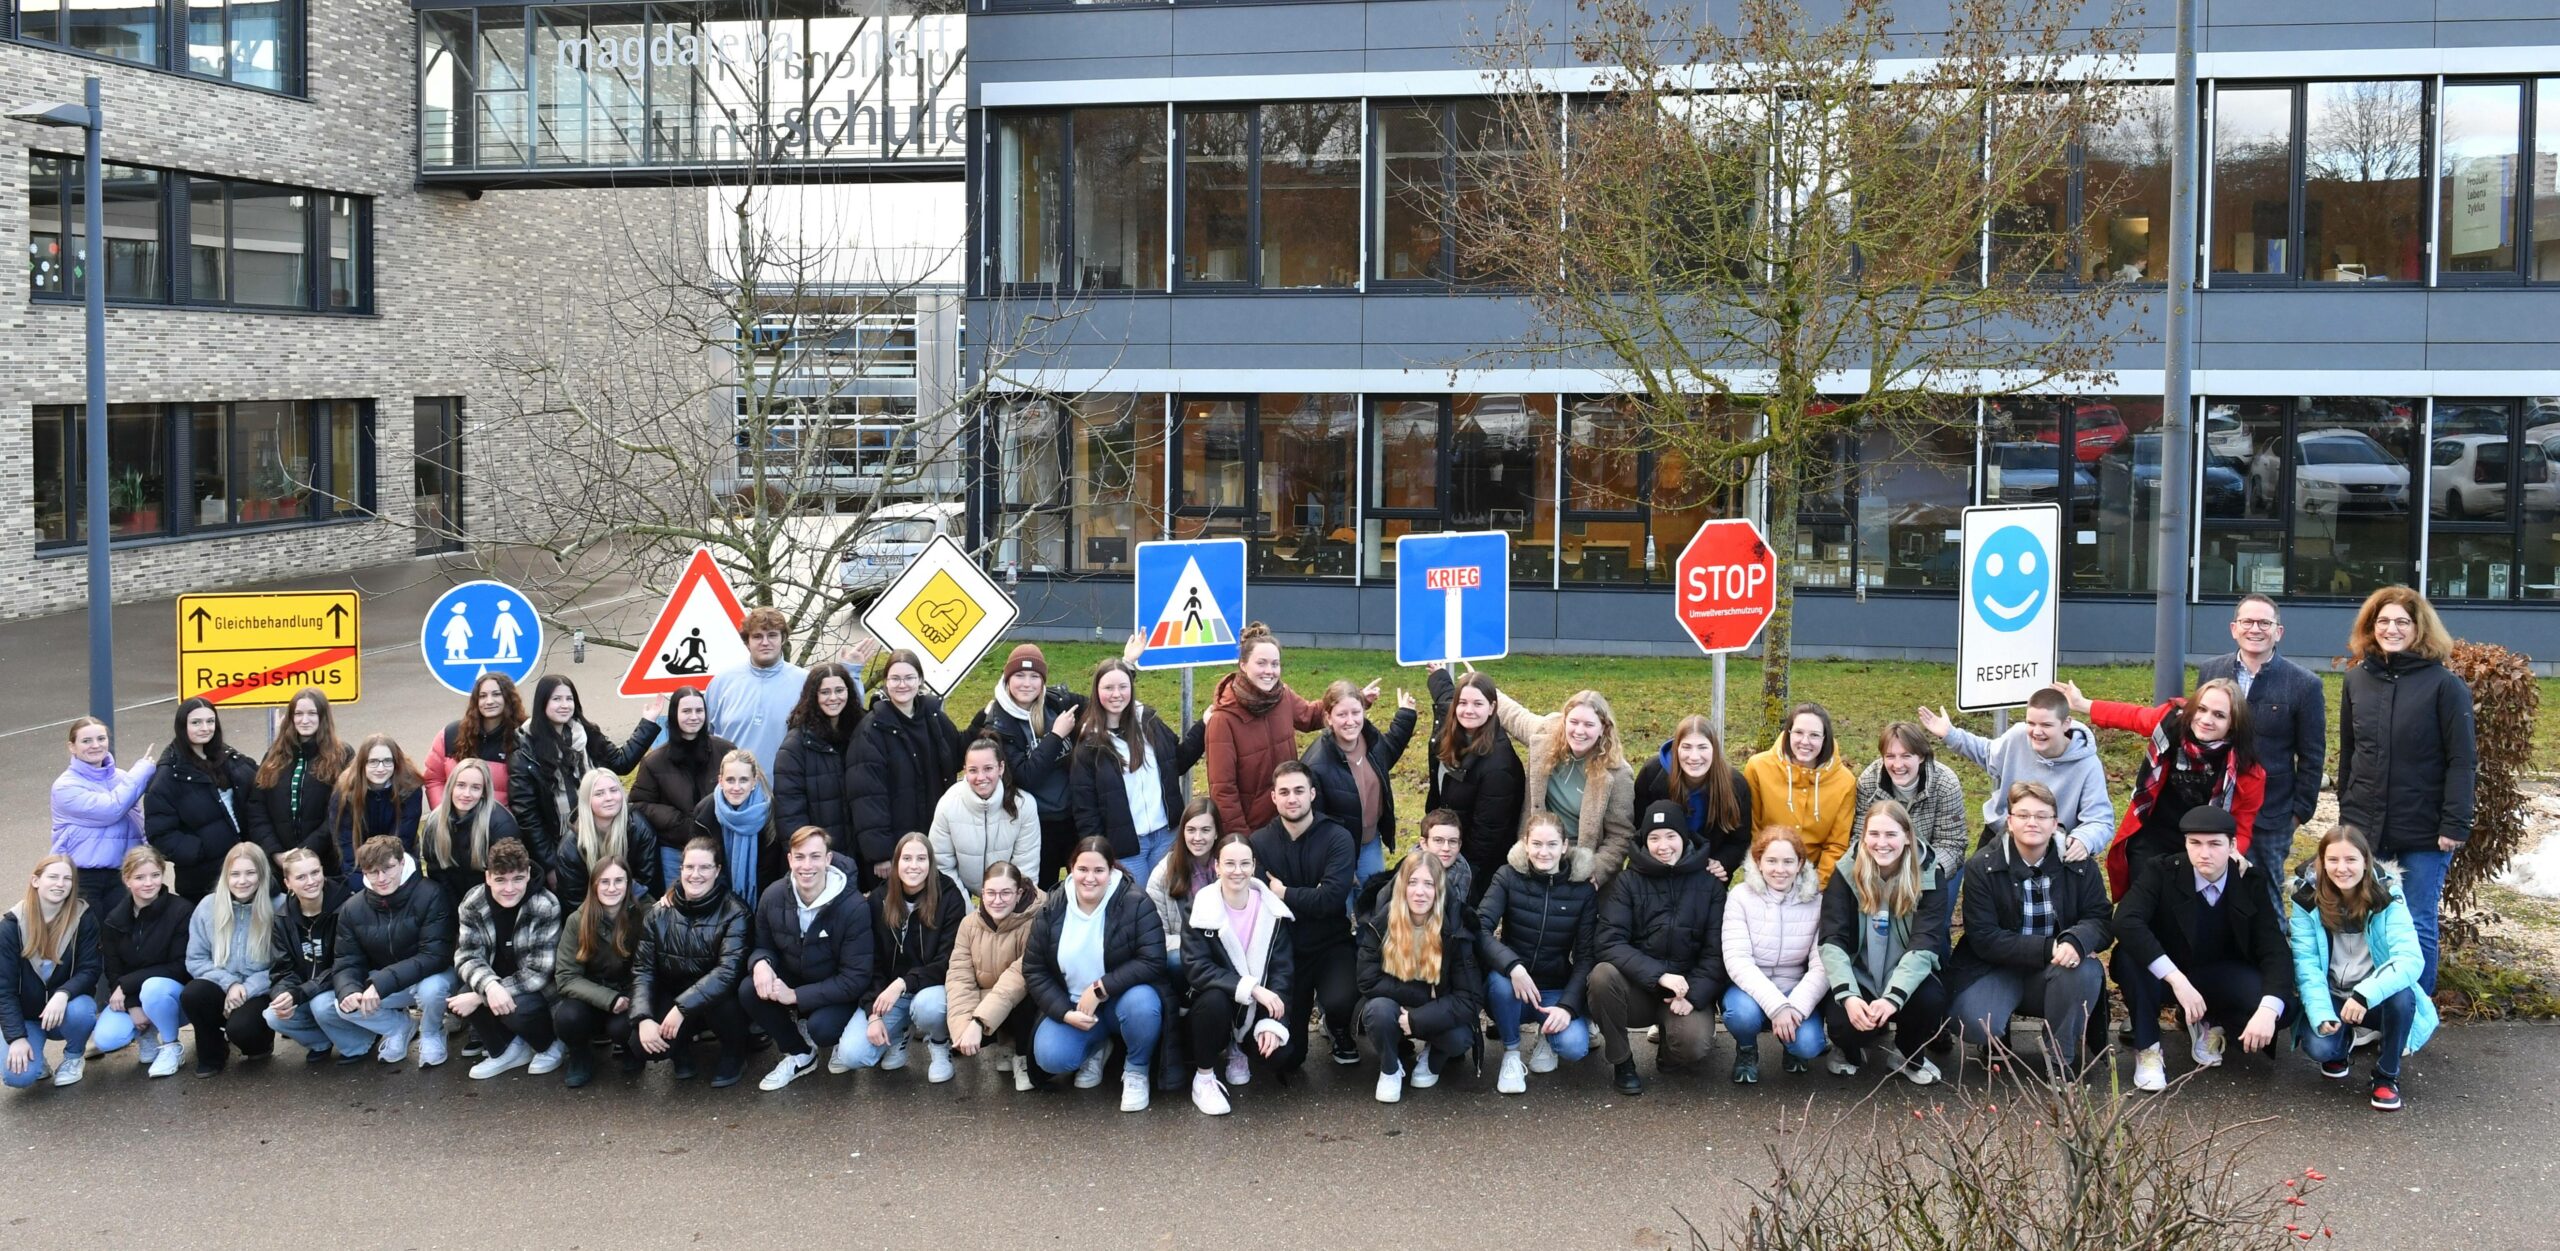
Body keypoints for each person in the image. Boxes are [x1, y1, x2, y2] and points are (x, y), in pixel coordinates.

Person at [2335, 585, 2476, 996]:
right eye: (2383, 621)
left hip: (2426, 829)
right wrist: (2347, 813)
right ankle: (2367, 1009)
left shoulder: (2445, 686)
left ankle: (2413, 1016)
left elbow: (2462, 761)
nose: (2391, 629)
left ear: (2419, 629)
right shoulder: (2356, 680)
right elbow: (2350, 752)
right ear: (2370, 627)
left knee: (2416, 922)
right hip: (2364, 825)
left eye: (2402, 621)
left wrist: (2455, 823)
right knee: (2364, 919)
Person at [2110, 808, 2294, 1093]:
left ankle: (2210, 1021)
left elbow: (2274, 949)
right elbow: (2126, 921)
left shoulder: (2248, 881)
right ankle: (2148, 1048)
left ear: (2233, 846)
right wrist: (2175, 978)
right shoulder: (2161, 871)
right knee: (2129, 957)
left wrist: (2268, 1011)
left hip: (2217, 975)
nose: (2204, 853)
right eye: (2195, 843)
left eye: (2215, 844)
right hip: (2164, 977)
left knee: (2283, 1008)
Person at [1947, 783, 2114, 1075]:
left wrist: (2076, 941)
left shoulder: (2079, 864)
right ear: (2009, 821)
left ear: (2055, 822)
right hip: (1996, 968)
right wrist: (2050, 947)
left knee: (2084, 971)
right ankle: (1998, 1037)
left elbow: (2101, 919)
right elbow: (1983, 937)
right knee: (1973, 1022)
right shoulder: (1982, 866)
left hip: (2058, 969)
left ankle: (2061, 1057)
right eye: (2022, 815)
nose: (2032, 822)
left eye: (2041, 815)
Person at [2058, 677, 2264, 900]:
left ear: (2233, 724)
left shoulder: (2248, 770)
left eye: (2219, 715)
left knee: (2184, 909)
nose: (2206, 720)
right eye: (2202, 709)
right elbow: (2132, 717)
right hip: (2152, 834)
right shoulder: (2171, 723)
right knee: (2144, 901)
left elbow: (2242, 825)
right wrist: (2082, 703)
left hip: (2201, 845)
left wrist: (2234, 851)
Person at [2289, 825, 2436, 1112]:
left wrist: (2363, 994)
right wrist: (2321, 1014)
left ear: (2366, 862)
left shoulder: (2388, 896)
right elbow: (2305, 965)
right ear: (2321, 862)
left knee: (2402, 997)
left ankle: (2386, 1075)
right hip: (2332, 992)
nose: (2341, 868)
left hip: (2372, 995)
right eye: (2332, 860)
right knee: (2321, 1050)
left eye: (2351, 860)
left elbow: (2410, 959)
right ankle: (2341, 1043)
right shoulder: (2305, 900)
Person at [1589, 802, 1727, 1095]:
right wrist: (1659, 975)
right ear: (1644, 841)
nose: (1662, 846)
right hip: (1637, 988)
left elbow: (1717, 952)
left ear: (1684, 838)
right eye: (1654, 838)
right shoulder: (1628, 882)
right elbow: (1608, 941)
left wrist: (1696, 995)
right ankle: (1622, 1061)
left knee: (1692, 1046)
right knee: (1601, 976)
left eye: (1670, 836)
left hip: (1684, 990)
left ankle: (1670, 1047)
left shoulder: (1711, 885)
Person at [1021, 838, 1168, 1112]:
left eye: (1099, 870)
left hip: (1121, 1001)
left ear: (1111, 871)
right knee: (1050, 1056)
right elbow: (1034, 969)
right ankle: (1095, 1048)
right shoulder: (1051, 908)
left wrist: (1101, 987)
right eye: (1082, 869)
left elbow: (1153, 959)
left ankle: (1136, 1070)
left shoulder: (1135, 901)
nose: (1090, 878)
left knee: (1143, 1006)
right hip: (1077, 1007)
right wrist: (1064, 1012)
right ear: (1071, 869)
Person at [1816, 800, 1953, 1086]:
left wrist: (1893, 998)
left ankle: (1906, 1054)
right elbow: (1832, 939)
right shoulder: (1844, 873)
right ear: (1863, 836)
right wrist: (1849, 996)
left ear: (1906, 837)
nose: (1882, 843)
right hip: (1861, 974)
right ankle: (1850, 1050)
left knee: (1931, 1001)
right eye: (1874, 834)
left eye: (1891, 834)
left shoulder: (1930, 874)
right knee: (1842, 1020)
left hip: (1904, 975)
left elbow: (1924, 944)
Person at [2199, 595, 2326, 898]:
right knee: (2210, 893)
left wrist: (2298, 815)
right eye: (2247, 621)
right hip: (2214, 807)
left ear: (2278, 632)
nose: (2255, 629)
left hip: (2271, 816)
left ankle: (2270, 947)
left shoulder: (2304, 684)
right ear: (2234, 628)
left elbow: (2312, 756)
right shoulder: (2210, 672)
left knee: (2264, 897)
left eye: (2264, 623)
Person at [744, 826, 876, 1091]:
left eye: (815, 857)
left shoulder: (853, 907)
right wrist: (760, 964)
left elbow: (856, 977)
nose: (807, 865)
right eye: (800, 857)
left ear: (828, 859)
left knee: (822, 1028)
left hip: (837, 988)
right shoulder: (773, 895)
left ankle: (835, 1035)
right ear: (790, 859)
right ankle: (801, 1053)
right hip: (797, 972)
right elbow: (762, 945)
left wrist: (795, 996)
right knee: (750, 989)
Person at [1247, 761, 1360, 1071]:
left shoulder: (1337, 837)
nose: (1292, 798)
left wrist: (1284, 893)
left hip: (1331, 945)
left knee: (1340, 1000)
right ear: (1273, 797)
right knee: (1285, 1060)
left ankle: (1337, 1027)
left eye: (1299, 790)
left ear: (1312, 793)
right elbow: (1260, 903)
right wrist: (1312, 894)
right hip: (1285, 952)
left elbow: (1331, 900)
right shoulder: (1259, 843)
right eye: (1284, 792)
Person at [1477, 813, 1599, 1095]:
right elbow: (1481, 928)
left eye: (1552, 844)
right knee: (1498, 983)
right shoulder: (1507, 876)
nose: (1544, 852)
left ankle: (1548, 1034)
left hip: (1554, 987)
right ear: (1525, 844)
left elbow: (1585, 957)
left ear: (1565, 846)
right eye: (1537, 844)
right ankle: (1511, 1053)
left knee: (1575, 1047)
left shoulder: (1582, 890)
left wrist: (1568, 1006)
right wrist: (1512, 966)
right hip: (1512, 986)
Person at [1205, 622, 1367, 834]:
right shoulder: (1223, 720)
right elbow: (1223, 790)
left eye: (1275, 664)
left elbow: (1310, 716)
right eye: (1261, 663)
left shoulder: (1282, 696)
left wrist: (1353, 703)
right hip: (1253, 830)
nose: (1269, 671)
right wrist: (1241, 840)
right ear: (1243, 665)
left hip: (1290, 820)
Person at [1919, 688, 2116, 861]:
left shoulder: (2087, 765)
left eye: (2046, 725)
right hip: (2003, 832)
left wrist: (2084, 839)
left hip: (2050, 844)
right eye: (2031, 723)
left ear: (2066, 724)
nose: (2036, 732)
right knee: (1977, 879)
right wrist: (1950, 734)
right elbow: (1987, 753)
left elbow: (2100, 820)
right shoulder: (2018, 736)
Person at [315, 835, 457, 1067]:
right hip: (385, 984)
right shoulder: (352, 908)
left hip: (430, 976)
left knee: (433, 989)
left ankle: (432, 1032)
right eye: (372, 872)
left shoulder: (431, 893)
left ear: (402, 862)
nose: (381, 878)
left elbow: (435, 956)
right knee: (341, 1004)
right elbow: (347, 960)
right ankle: (399, 1027)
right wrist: (349, 990)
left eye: (388, 868)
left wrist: (381, 983)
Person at [508, 674, 663, 885]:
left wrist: (648, 722)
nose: (564, 705)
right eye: (556, 699)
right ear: (542, 702)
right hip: (560, 846)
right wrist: (552, 865)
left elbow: (621, 763)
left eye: (569, 699)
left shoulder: (587, 734)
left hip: (599, 836)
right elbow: (528, 817)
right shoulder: (525, 752)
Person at [1179, 833, 1293, 1115]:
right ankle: (1204, 1078)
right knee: (1215, 1000)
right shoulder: (1200, 907)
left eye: (1244, 863)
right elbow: (1197, 967)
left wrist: (1270, 1023)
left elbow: (1282, 970)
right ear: (1216, 866)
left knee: (1283, 1055)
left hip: (1253, 1011)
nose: (1237, 871)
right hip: (1215, 1004)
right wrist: (1252, 988)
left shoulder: (1272, 911)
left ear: (1254, 865)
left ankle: (1239, 1047)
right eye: (1229, 863)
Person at [1356, 851, 1483, 1104]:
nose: (1419, 892)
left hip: (1437, 1007)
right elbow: (1367, 980)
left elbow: (1470, 998)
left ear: (1439, 889)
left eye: (1428, 884)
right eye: (1412, 882)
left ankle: (1432, 1056)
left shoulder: (1455, 928)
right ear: (1402, 886)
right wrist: (1423, 995)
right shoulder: (1381, 921)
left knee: (1460, 1038)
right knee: (1377, 1012)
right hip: (1395, 1002)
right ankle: (1390, 1069)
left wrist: (1417, 1019)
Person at [1068, 658, 1206, 887]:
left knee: (1171, 900)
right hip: (1126, 848)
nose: (1116, 694)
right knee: (1135, 907)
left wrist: (1204, 725)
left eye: (1123, 687)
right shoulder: (1088, 744)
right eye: (1108, 688)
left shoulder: (1149, 723)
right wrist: (1099, 851)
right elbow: (1085, 809)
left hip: (1167, 836)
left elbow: (1177, 763)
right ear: (1096, 692)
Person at [1492, 682, 1639, 892]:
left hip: (1580, 860)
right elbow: (1515, 716)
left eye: (1589, 725)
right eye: (1574, 722)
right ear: (1564, 722)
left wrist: (1596, 871)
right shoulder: (1547, 737)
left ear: (1603, 729)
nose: (1579, 731)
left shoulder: (1617, 774)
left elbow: (1620, 835)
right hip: (1538, 849)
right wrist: (1484, 686)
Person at [838, 833, 962, 1081]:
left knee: (928, 1006)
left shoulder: (949, 896)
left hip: (932, 989)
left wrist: (904, 982)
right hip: (889, 996)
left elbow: (948, 961)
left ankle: (939, 1045)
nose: (913, 866)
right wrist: (873, 1013)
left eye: (921, 858)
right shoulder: (877, 900)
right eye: (906, 858)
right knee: (851, 1054)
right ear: (895, 864)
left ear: (931, 863)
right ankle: (899, 1035)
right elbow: (868, 962)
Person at [630, 838, 753, 1086]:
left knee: (725, 1004)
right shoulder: (658, 913)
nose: (695, 874)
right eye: (689, 867)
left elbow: (727, 972)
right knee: (640, 1045)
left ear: (717, 870)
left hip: (717, 1001)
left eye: (705, 867)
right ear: (681, 869)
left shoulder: (736, 912)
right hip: (675, 992)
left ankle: (734, 1053)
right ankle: (680, 1051)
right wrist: (643, 1018)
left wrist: (681, 1009)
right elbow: (643, 969)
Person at [965, 642, 1088, 880]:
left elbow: (1104, 703)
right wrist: (1056, 736)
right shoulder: (998, 725)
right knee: (1041, 893)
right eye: (1019, 675)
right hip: (1037, 825)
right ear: (1007, 678)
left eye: (1034, 676)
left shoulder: (1056, 702)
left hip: (1073, 817)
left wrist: (1126, 665)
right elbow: (1026, 777)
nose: (1027, 683)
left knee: (1084, 885)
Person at [448, 837, 566, 1080]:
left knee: (516, 1009)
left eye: (518, 879)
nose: (509, 888)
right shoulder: (473, 902)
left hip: (539, 993)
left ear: (528, 874)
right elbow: (467, 955)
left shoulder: (545, 904)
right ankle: (508, 1049)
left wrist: (481, 996)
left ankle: (550, 1045)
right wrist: (489, 986)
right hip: (496, 980)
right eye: (500, 880)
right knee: (461, 993)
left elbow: (539, 972)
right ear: (488, 877)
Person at [847, 650, 967, 887]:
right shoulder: (871, 731)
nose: (902, 684)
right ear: (885, 682)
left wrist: (982, 720)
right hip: (896, 848)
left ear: (920, 680)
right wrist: (880, 853)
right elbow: (867, 797)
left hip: (935, 837)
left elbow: (956, 756)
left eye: (909, 677)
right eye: (895, 678)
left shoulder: (933, 717)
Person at [1719, 827, 1830, 1084]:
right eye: (1771, 861)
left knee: (1809, 1045)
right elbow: (1737, 960)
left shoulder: (1817, 901)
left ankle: (1792, 1048)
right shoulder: (1740, 897)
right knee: (1741, 1015)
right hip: (1749, 987)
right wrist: (1776, 1006)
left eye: (1788, 861)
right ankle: (1746, 1050)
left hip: (1795, 986)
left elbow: (1821, 967)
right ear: (1758, 861)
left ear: (1800, 863)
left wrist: (1795, 1009)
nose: (1780, 869)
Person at [1422, 663, 1526, 909]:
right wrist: (1438, 675)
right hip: (1447, 844)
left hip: (1472, 864)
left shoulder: (1498, 765)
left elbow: (1487, 836)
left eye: (1478, 704)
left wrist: (1460, 874)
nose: (1468, 710)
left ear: (1492, 708)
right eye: (1463, 703)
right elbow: (1446, 697)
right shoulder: (1454, 731)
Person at [1300, 680, 1419, 892]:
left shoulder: (1370, 741)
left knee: (1372, 900)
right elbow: (1313, 822)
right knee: (1340, 911)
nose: (1350, 721)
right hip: (1335, 853)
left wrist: (1406, 715)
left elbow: (1388, 751)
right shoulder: (1316, 764)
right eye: (1341, 714)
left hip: (1369, 842)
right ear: (1328, 718)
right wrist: (1332, 864)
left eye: (1356, 712)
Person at [144, 697, 266, 900]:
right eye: (196, 722)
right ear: (182, 726)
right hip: (202, 881)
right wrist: (201, 851)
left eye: (210, 721)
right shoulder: (169, 774)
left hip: (246, 872)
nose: (205, 728)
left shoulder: (230, 758)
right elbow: (160, 834)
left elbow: (262, 786)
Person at [550, 856, 653, 1088]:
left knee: (622, 1027)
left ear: (629, 884)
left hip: (629, 994)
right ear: (594, 885)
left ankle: (628, 1048)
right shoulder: (578, 919)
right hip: (591, 996)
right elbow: (566, 977)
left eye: (619, 880)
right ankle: (580, 1054)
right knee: (567, 1018)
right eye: (604, 881)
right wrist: (609, 999)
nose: (612, 887)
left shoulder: (642, 913)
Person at [1, 855, 101, 1089]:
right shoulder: (10, 927)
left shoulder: (83, 918)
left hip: (64, 1012)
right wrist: (16, 1037)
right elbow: (3, 990)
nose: (60, 884)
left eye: (67, 878)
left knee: (83, 1009)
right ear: (35, 880)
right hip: (27, 1018)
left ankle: (74, 1056)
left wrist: (63, 993)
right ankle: (38, 1060)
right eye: (53, 877)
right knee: (17, 1076)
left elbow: (91, 968)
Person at [179, 842, 279, 1076]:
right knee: (193, 993)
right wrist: (230, 984)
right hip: (222, 985)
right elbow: (195, 959)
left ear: (262, 874)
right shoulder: (207, 906)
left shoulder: (279, 906)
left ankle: (261, 1043)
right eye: (235, 874)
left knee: (243, 1030)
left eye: (250, 873)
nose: (242, 881)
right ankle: (212, 1053)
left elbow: (283, 964)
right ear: (226, 876)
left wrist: (245, 989)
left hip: (260, 990)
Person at [89, 848, 190, 1077]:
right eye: (139, 877)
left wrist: (126, 985)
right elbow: (113, 970)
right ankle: (146, 1033)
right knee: (107, 1039)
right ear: (126, 880)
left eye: (155, 875)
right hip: (135, 995)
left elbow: (179, 967)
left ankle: (171, 1045)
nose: (148, 883)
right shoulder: (114, 919)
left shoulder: (181, 910)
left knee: (154, 988)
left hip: (171, 994)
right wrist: (133, 1004)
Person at [947, 861, 1045, 1093]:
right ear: (982, 893)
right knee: (944, 1007)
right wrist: (964, 1030)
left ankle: (1022, 1055)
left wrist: (979, 1023)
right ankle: (1005, 1044)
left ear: (1019, 893)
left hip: (1022, 1000)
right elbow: (960, 978)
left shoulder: (1036, 921)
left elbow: (1016, 980)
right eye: (990, 893)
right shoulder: (969, 925)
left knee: (1026, 996)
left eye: (1005, 893)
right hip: (989, 1002)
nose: (997, 900)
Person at [1744, 703, 1858, 886]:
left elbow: (1837, 844)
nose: (1805, 741)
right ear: (1788, 733)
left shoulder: (1845, 781)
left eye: (1814, 735)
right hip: (1767, 873)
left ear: (1825, 738)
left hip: (1815, 877)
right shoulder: (1758, 767)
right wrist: (1765, 875)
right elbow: (1753, 829)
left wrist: (1816, 886)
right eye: (1798, 733)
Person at [1633, 715, 1754, 882]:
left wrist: (1722, 862)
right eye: (1687, 747)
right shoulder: (1652, 774)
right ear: (1676, 749)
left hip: (1706, 873)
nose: (1694, 756)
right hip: (1657, 868)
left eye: (1702, 747)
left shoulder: (1735, 785)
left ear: (1714, 749)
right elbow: (1638, 829)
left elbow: (1740, 840)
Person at [51, 716, 156, 905]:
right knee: (90, 933)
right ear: (72, 747)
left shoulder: (124, 778)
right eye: (86, 741)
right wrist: (142, 770)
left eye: (101, 739)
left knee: (123, 934)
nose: (95, 745)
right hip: (83, 877)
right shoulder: (65, 786)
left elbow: (137, 819)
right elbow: (111, 809)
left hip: (124, 874)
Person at [704, 606, 815, 778]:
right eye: (757, 636)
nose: (765, 642)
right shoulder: (721, 683)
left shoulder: (806, 683)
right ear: (747, 642)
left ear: (783, 639)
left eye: (772, 635)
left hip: (787, 794)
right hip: (733, 795)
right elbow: (704, 742)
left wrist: (852, 673)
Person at [261, 848, 348, 1063]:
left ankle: (360, 1044)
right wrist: (282, 994)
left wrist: (299, 993)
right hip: (307, 991)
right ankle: (321, 1042)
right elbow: (282, 969)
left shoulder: (345, 907)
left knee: (321, 1005)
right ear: (287, 883)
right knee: (272, 1014)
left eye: (315, 872)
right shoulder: (282, 917)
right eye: (301, 877)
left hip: (341, 991)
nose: (311, 881)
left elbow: (344, 965)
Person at [1853, 722, 1969, 882]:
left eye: (1906, 756)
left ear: (1921, 756)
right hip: (1882, 860)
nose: (1898, 765)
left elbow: (1951, 843)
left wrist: (1925, 875)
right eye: (1890, 756)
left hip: (1930, 863)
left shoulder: (1946, 783)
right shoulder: (1869, 781)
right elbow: (1860, 836)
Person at [250, 687, 351, 867]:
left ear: (323, 717)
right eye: (298, 714)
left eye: (312, 713)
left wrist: (306, 851)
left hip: (325, 862)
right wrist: (275, 852)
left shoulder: (342, 756)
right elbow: (257, 808)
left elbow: (342, 810)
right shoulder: (274, 755)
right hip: (279, 864)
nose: (305, 720)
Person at [933, 735, 1044, 896]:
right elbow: (942, 866)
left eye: (988, 768)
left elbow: (1026, 869)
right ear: (965, 770)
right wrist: (967, 913)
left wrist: (1005, 909)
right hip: (960, 892)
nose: (981, 777)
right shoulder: (948, 804)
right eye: (973, 770)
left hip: (1008, 895)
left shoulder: (1024, 805)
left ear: (1001, 768)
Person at [773, 662, 863, 861]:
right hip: (818, 860)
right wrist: (809, 859)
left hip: (859, 855)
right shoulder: (795, 746)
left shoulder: (860, 735)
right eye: (825, 692)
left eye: (839, 690)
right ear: (813, 696)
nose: (833, 698)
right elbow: (790, 815)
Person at [630, 684, 736, 851]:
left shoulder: (725, 751)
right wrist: (677, 820)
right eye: (686, 711)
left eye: (699, 711)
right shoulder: (654, 761)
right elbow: (638, 803)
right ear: (674, 714)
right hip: (675, 848)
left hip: (721, 844)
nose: (694, 717)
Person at [417, 757, 524, 908]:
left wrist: (472, 912)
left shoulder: (501, 825)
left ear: (483, 792)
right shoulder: (435, 821)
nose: (466, 794)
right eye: (461, 785)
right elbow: (437, 873)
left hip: (491, 901)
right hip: (451, 899)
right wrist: (454, 912)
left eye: (475, 787)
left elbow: (506, 879)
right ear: (451, 786)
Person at [554, 769, 663, 906]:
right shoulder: (570, 848)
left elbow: (649, 884)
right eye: (599, 794)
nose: (609, 797)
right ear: (586, 800)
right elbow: (573, 901)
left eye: (614, 790)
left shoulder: (640, 828)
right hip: (592, 915)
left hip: (635, 907)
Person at [327, 734, 426, 883]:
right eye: (373, 762)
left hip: (398, 861)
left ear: (396, 762)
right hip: (359, 865)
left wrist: (387, 878)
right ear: (362, 763)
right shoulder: (345, 791)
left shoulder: (410, 789)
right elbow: (345, 843)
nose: (381, 768)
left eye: (387, 761)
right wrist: (361, 882)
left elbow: (403, 839)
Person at [420, 673, 523, 808]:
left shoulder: (523, 738)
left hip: (500, 825)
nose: (489, 701)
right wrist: (443, 815)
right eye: (483, 696)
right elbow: (434, 779)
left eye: (496, 694)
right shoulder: (451, 734)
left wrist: (504, 823)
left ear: (509, 698)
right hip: (454, 823)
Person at [696, 749, 784, 906]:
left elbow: (777, 868)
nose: (736, 787)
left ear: (754, 782)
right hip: (718, 900)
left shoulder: (772, 812)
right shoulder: (705, 813)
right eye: (730, 780)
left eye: (743, 780)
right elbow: (697, 860)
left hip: (766, 900)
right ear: (720, 781)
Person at [1358, 811, 1479, 921]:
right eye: (1438, 840)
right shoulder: (1403, 871)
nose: (1446, 848)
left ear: (1459, 844)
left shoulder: (1467, 874)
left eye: (1452, 841)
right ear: (1424, 843)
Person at [1144, 799, 1221, 969]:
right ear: (1182, 832)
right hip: (1184, 955)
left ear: (1216, 833)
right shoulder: (1163, 873)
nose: (1197, 838)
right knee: (1175, 960)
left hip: (1225, 950)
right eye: (1191, 830)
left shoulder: (1229, 866)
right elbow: (1156, 936)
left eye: (1206, 830)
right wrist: (1197, 946)